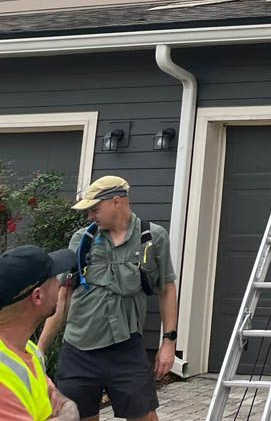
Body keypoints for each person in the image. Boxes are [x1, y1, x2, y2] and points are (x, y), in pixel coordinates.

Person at [38, 177, 176, 421]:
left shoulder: (153, 238)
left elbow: (166, 289)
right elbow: (63, 296)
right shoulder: (82, 240)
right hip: (79, 349)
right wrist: (40, 349)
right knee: (77, 416)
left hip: (126, 347)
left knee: (145, 417)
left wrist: (169, 342)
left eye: (94, 209)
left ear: (117, 201)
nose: (90, 216)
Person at [0, 245, 79, 420]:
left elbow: (56, 398)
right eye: (53, 278)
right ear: (38, 296)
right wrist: (69, 414)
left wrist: (68, 410)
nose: (59, 283)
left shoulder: (28, 349)